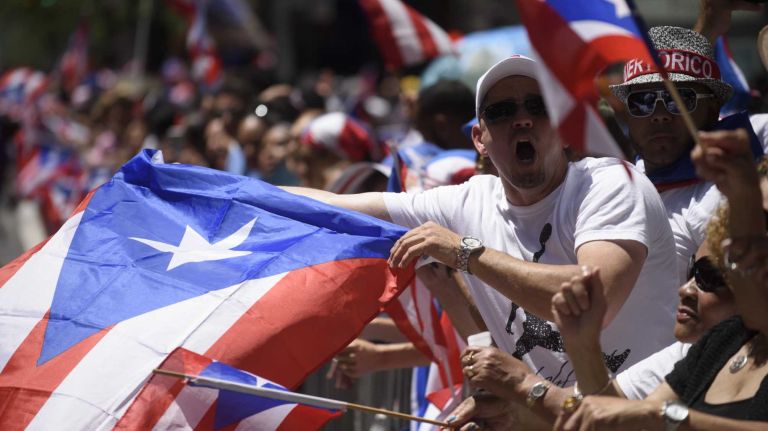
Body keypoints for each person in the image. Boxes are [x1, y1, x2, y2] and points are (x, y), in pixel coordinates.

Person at [285, 55, 678, 386]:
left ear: (565, 130)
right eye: (502, 111)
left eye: (538, 107)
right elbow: (334, 207)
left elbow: (594, 302)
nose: (522, 120)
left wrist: (465, 252)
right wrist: (230, 192)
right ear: (480, 139)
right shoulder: (468, 200)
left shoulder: (611, 182)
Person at [544, 130, 768, 429]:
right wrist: (582, 344)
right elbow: (619, 423)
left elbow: (649, 417)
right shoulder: (725, 339)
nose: (747, 242)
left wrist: (666, 417)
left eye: (711, 277)